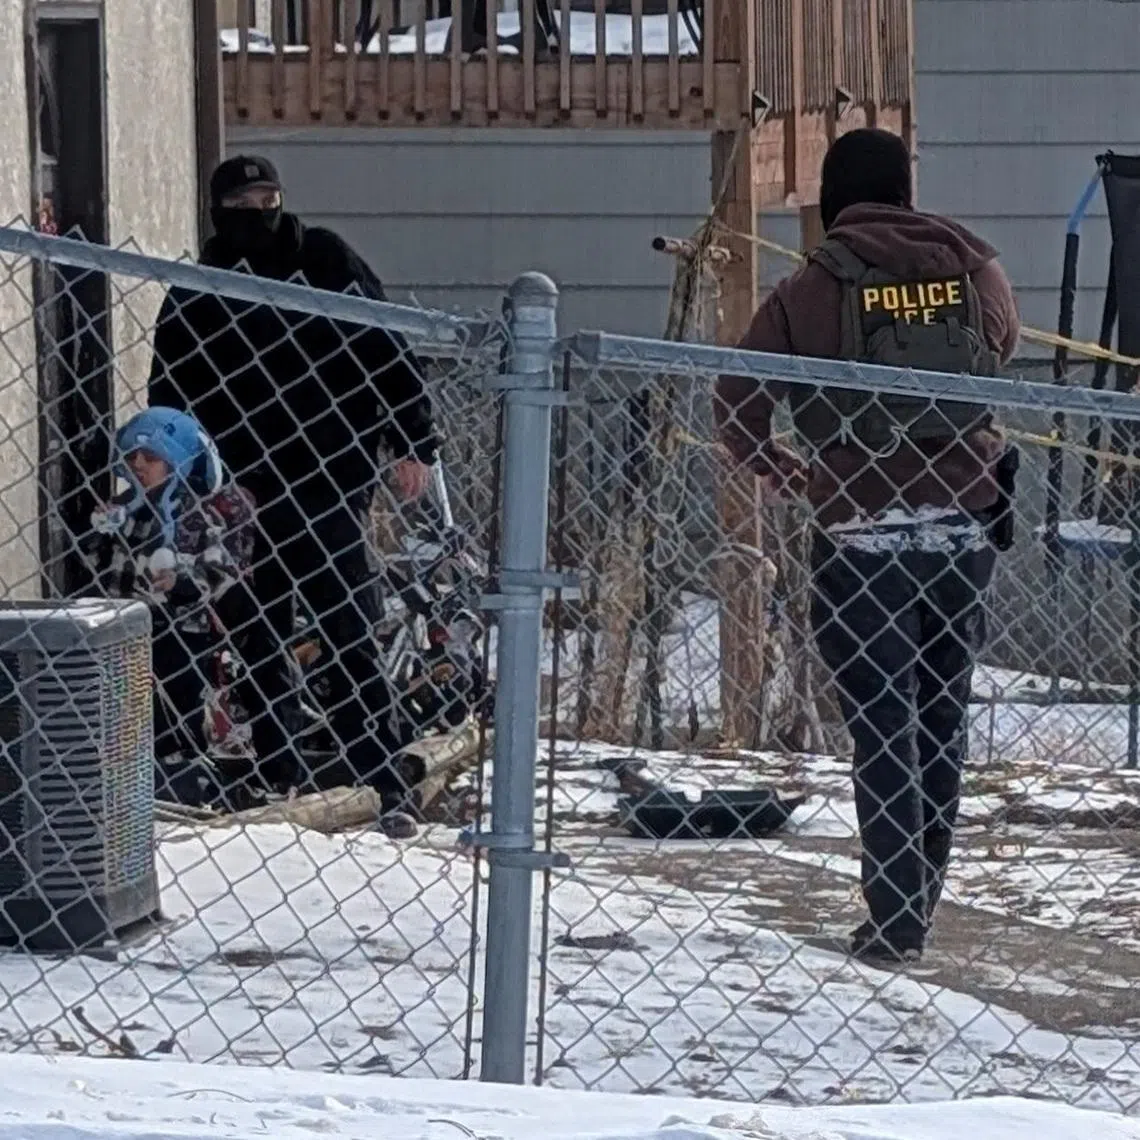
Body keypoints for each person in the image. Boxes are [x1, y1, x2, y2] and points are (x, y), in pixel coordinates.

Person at [714, 128, 1021, 964]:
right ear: (906, 189)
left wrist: (778, 466)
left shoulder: (812, 287)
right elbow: (1000, 351)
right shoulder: (975, 268)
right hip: (963, 529)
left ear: (834, 200)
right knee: (941, 711)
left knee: (884, 721)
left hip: (860, 533)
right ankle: (921, 891)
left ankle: (894, 918)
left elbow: (738, 392)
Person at [148, 155, 440, 839]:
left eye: (268, 196)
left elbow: (385, 346)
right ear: (220, 210)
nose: (259, 210)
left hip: (329, 478)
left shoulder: (325, 261)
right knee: (258, 630)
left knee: (348, 629)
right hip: (241, 487)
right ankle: (277, 772)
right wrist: (182, 476)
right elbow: (171, 387)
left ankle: (378, 771)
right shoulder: (204, 285)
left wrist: (413, 439)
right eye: (243, 201)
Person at [82, 407, 259, 807]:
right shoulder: (126, 507)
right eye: (132, 458)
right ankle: (134, 782)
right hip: (124, 625)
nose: (139, 465)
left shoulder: (203, 510)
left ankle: (185, 778)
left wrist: (182, 581)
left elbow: (222, 567)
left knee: (178, 703)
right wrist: (100, 533)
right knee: (125, 706)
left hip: (182, 628)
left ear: (178, 459)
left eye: (152, 458)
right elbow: (100, 565)